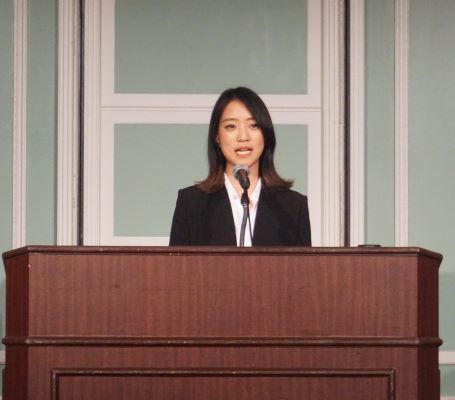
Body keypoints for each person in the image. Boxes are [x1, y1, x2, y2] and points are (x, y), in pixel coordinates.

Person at [169, 86, 311, 246]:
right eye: (231, 126)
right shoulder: (191, 203)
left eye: (253, 125)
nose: (243, 137)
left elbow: (302, 263)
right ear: (217, 136)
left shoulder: (293, 206)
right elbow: (178, 262)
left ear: (266, 134)